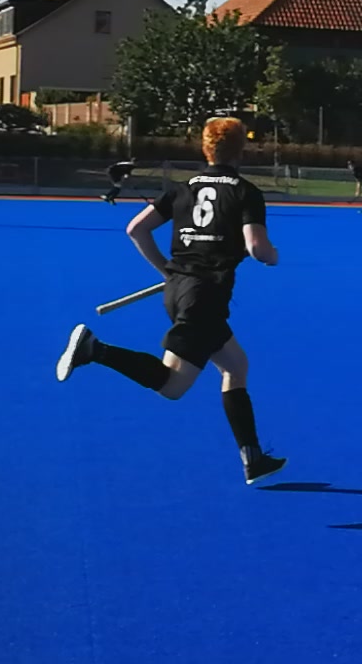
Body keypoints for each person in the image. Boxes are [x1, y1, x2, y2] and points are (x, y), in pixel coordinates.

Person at [54, 117, 286, 485]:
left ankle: (252, 458)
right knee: (172, 387)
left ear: (206, 149)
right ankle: (95, 349)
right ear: (241, 150)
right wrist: (272, 255)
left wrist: (168, 271)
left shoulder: (182, 189)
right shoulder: (245, 192)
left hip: (180, 291)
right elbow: (257, 248)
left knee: (235, 365)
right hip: (203, 298)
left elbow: (136, 229)